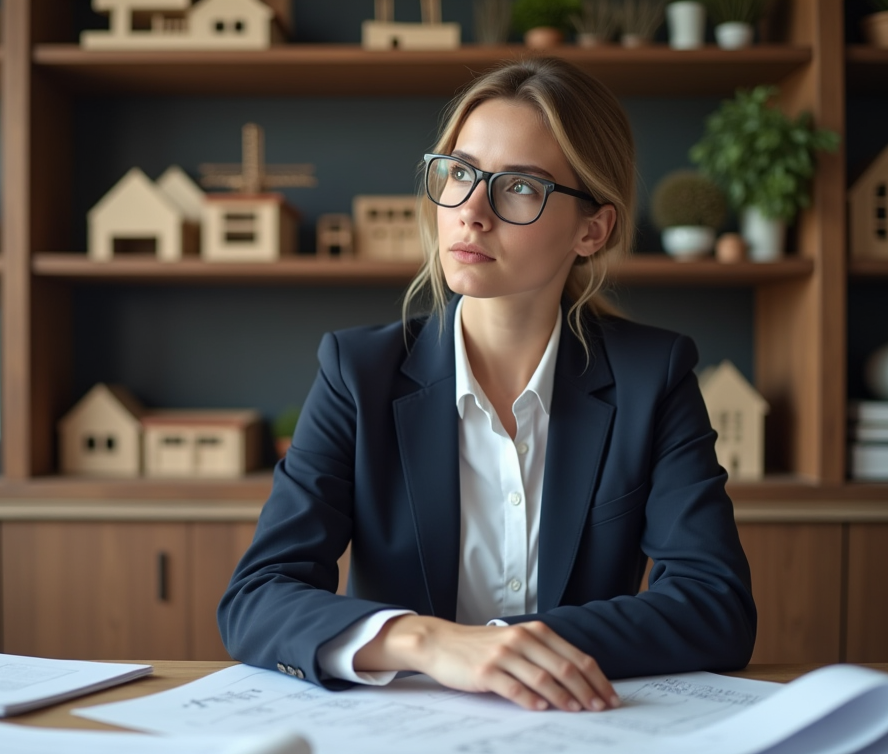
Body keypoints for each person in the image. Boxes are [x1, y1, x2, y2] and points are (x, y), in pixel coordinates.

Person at [218, 57, 756, 714]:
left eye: (521, 188)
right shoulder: (358, 373)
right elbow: (258, 596)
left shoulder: (654, 377)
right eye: (459, 173)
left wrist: (508, 646)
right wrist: (429, 643)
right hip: (399, 734)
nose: (471, 211)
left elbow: (714, 605)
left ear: (593, 229)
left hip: (578, 735)